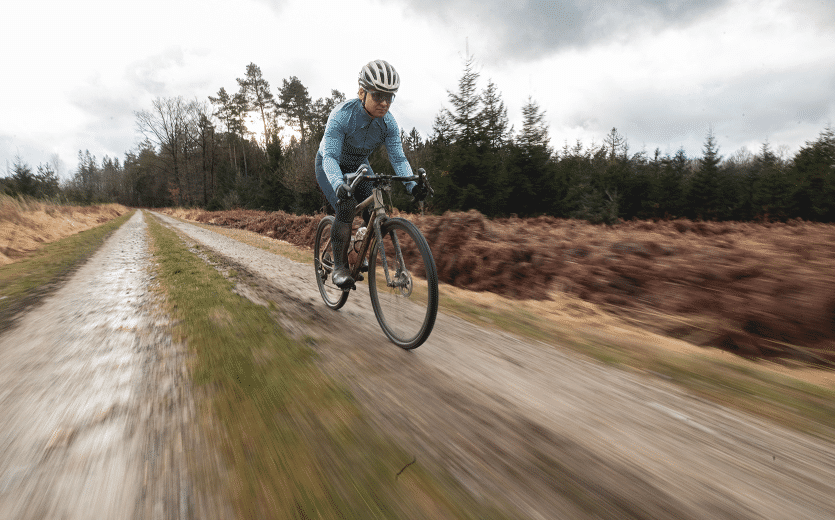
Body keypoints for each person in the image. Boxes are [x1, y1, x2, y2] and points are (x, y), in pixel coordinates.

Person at [315, 59, 427, 289]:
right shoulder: (342, 116)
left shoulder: (389, 125)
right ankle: (339, 266)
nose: (385, 103)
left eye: (390, 97)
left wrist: (412, 186)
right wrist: (338, 184)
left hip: (359, 167)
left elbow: (398, 158)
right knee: (345, 207)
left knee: (376, 206)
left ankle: (358, 249)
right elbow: (330, 158)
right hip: (329, 165)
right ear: (361, 92)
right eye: (378, 95)